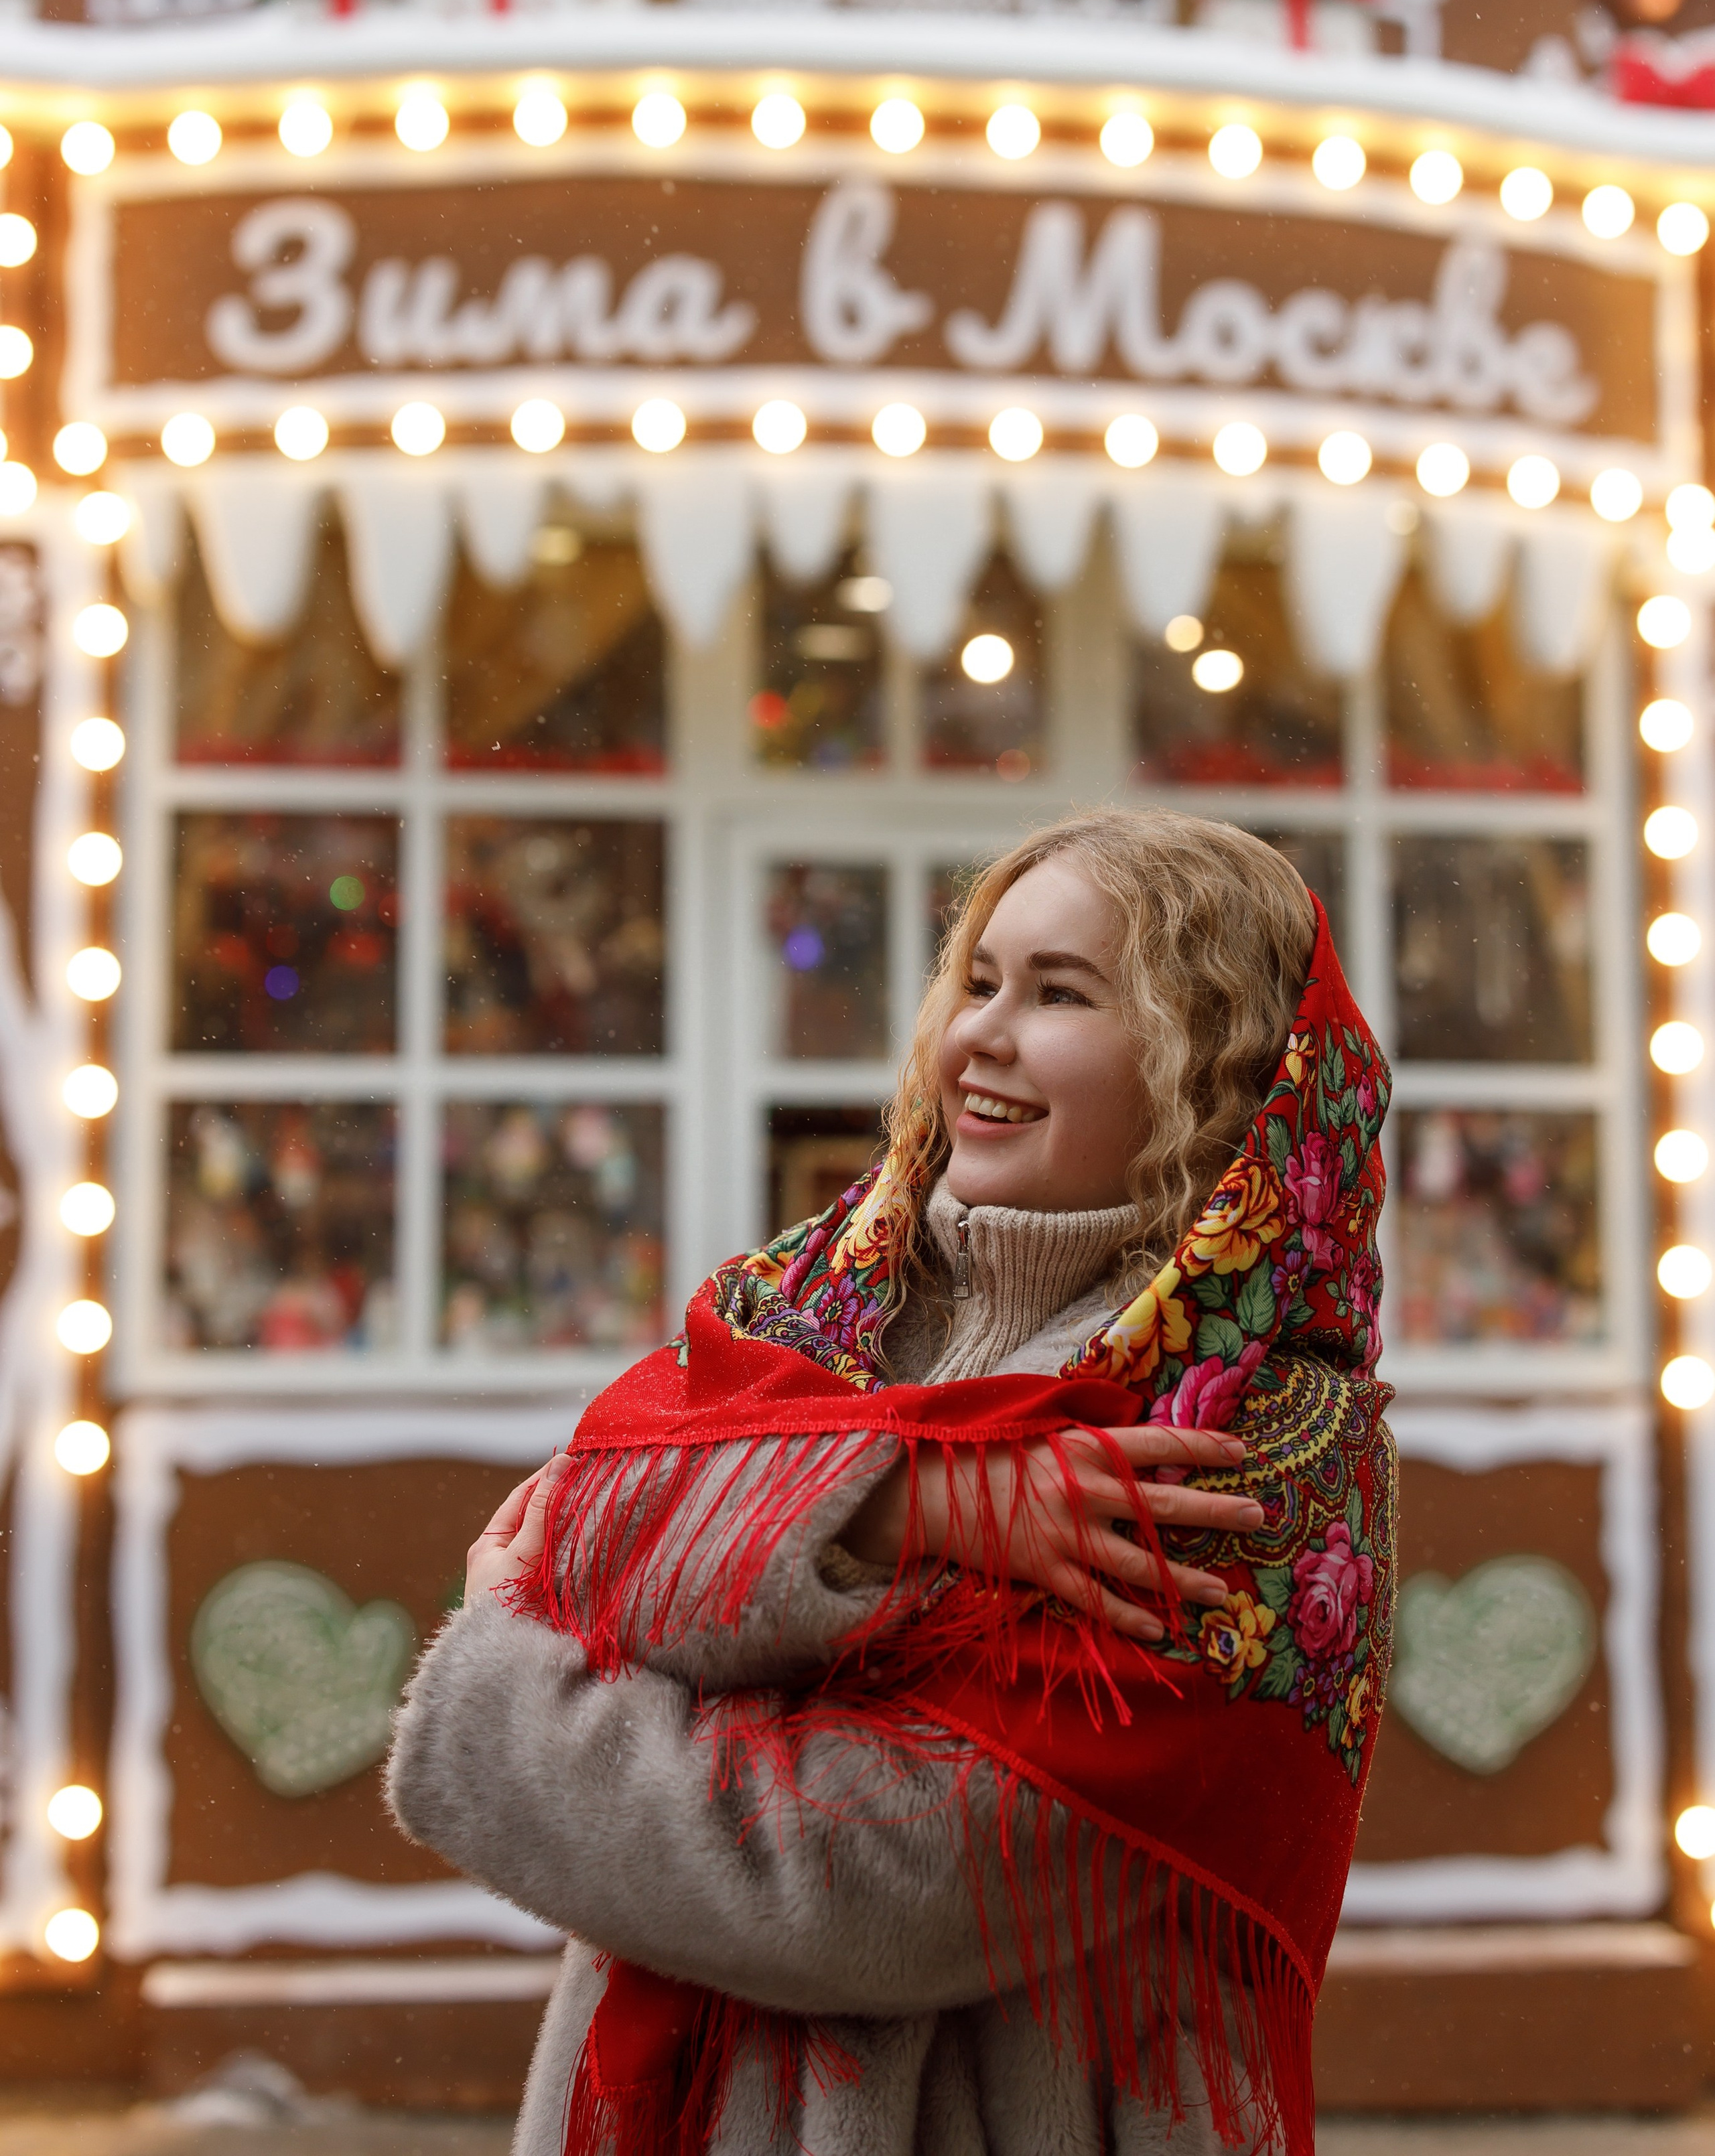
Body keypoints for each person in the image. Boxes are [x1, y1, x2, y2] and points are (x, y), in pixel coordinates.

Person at [389, 808, 1395, 2156]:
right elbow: (587, 1521)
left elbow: (869, 1884)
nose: (981, 1031)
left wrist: (514, 1688)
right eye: (976, 979)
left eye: (1060, 995)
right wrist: (911, 1502)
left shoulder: (1250, 1427)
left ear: (1206, 1065)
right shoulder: (809, 1297)